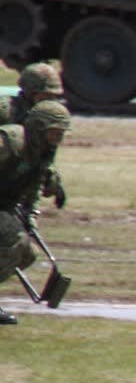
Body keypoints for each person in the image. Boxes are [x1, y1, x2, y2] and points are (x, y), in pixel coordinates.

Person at [0, 100, 70, 325]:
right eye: (54, 132)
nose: (58, 139)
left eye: (61, 134)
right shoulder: (11, 141)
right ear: (39, 127)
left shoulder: (41, 153)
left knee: (26, 254)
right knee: (15, 240)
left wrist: (30, 219)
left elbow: (33, 189)